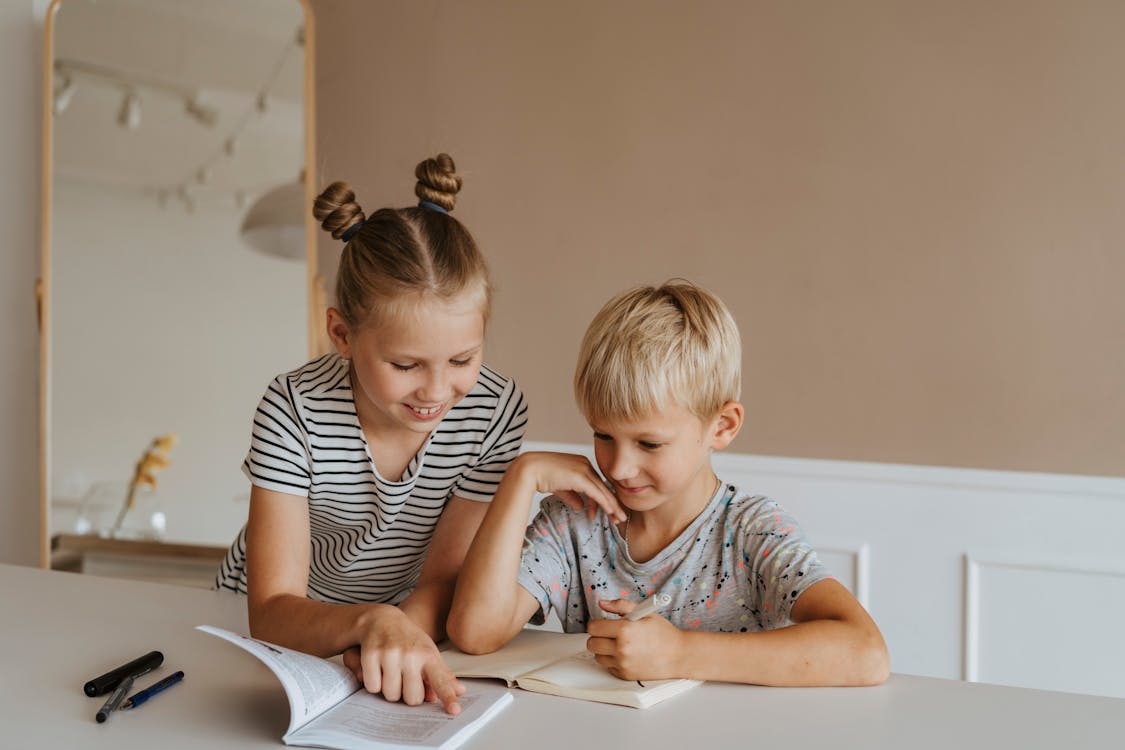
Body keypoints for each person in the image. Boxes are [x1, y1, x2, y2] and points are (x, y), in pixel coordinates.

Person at [447, 280, 888, 687]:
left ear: (722, 426)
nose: (619, 467)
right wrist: (521, 477)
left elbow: (865, 653)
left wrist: (680, 653)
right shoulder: (573, 522)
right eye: (603, 435)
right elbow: (474, 633)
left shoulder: (753, 532)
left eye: (649, 443)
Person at [215, 154, 527, 714]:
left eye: (462, 358)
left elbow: (442, 577)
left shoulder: (495, 410)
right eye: (406, 366)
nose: (436, 391)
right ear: (341, 333)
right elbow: (270, 609)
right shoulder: (294, 408)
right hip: (278, 627)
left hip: (396, 624)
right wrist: (371, 626)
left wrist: (393, 635)